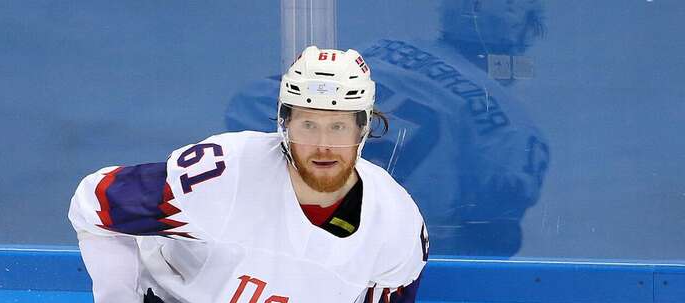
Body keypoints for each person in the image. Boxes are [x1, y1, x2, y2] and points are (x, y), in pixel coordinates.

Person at [68, 45, 428, 303]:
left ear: (364, 129)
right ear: (284, 124)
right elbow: (95, 202)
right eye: (308, 125)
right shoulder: (223, 174)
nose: (324, 146)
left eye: (338, 127)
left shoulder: (396, 225)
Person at [225, 0, 550, 257]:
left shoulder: (385, 48)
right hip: (381, 260)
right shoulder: (515, 128)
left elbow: (250, 106)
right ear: (528, 30)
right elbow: (492, 240)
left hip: (286, 239)